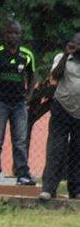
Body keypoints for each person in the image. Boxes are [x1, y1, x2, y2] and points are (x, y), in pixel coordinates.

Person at [0, 20, 36, 185]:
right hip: (0, 103)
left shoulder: (27, 55)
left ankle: (22, 174)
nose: (13, 36)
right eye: (10, 32)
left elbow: (33, 75)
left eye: (16, 33)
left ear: (20, 35)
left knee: (20, 141)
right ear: (5, 34)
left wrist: (28, 96)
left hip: (19, 105)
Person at [39, 32, 80, 200]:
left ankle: (76, 190)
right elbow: (55, 76)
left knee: (77, 152)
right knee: (56, 149)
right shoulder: (61, 58)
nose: (76, 47)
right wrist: (67, 54)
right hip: (62, 109)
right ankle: (49, 189)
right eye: (73, 44)